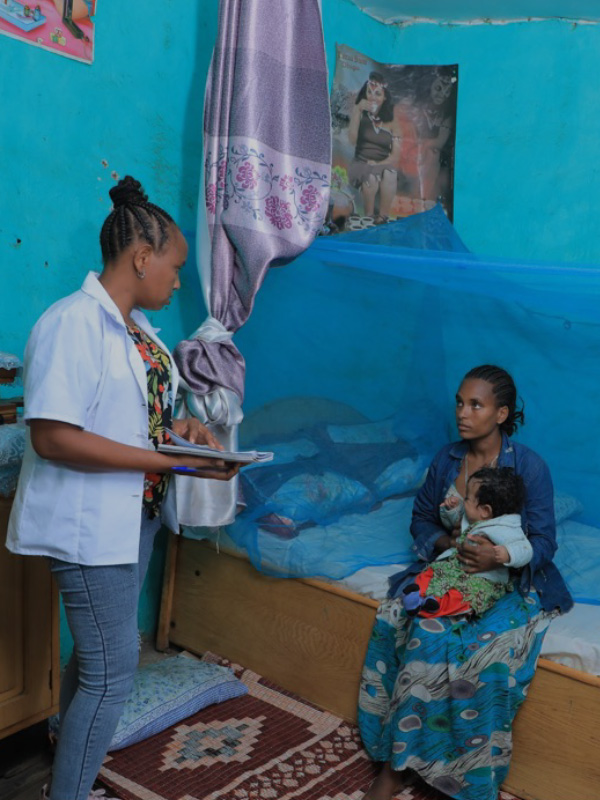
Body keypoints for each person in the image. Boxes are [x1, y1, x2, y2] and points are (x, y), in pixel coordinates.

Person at [6, 176, 241, 800]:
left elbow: (135, 418)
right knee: (112, 675)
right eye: (176, 265)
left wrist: (180, 433)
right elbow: (53, 437)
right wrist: (162, 462)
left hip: (132, 518)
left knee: (98, 661)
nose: (179, 280)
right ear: (142, 257)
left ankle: (68, 764)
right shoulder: (72, 323)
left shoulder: (139, 334)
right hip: (87, 528)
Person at [358, 364, 573, 800]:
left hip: (507, 584)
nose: (463, 412)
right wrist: (447, 541)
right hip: (450, 572)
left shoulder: (528, 467)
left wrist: (497, 555)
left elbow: (544, 541)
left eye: (476, 404)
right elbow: (420, 519)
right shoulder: (447, 460)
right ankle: (397, 765)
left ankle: (466, 777)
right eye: (460, 401)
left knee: (486, 657)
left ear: (501, 414)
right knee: (416, 626)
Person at [400, 466, 533, 618]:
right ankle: (416, 594)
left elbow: (526, 549)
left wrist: (508, 554)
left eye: (467, 498)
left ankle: (434, 605)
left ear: (485, 510)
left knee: (463, 595)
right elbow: (457, 524)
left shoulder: (505, 529)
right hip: (455, 566)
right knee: (431, 572)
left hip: (481, 578)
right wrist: (451, 510)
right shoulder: (476, 516)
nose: (464, 500)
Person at [347, 71, 402, 224]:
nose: (372, 97)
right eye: (369, 93)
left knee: (390, 173)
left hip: (382, 164)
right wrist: (357, 110)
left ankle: (382, 219)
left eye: (378, 94)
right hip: (360, 163)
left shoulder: (392, 121)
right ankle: (368, 218)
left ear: (385, 98)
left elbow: (395, 156)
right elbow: (352, 140)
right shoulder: (359, 112)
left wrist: (378, 164)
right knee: (371, 177)